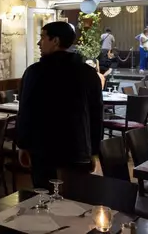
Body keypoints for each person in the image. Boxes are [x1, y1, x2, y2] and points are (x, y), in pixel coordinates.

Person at [16, 21, 103, 189]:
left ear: (55, 41)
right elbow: (96, 114)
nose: (39, 43)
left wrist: (23, 145)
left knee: (43, 196)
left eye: (42, 37)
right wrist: (93, 150)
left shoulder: (35, 72)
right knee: (75, 200)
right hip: (77, 147)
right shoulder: (88, 73)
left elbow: (26, 112)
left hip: (42, 147)